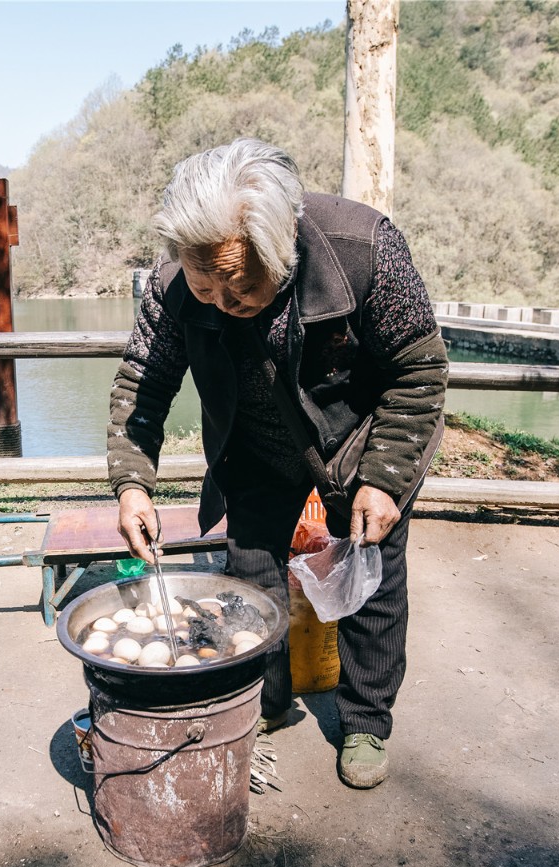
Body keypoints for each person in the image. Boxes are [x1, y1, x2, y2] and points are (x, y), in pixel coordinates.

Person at [107, 138, 448, 789]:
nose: (216, 303)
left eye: (237, 288)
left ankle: (366, 720)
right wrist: (132, 482)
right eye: (204, 284)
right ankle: (262, 703)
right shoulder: (176, 285)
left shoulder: (364, 250)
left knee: (370, 584)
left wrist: (386, 479)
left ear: (283, 247)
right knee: (251, 576)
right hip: (256, 446)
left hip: (359, 445)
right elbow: (143, 382)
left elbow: (419, 370)